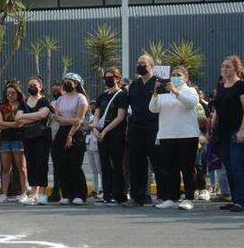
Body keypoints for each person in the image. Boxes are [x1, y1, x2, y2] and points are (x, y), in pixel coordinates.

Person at [150, 67, 200, 210]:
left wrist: (176, 92)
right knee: (170, 168)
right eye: (173, 75)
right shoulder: (164, 92)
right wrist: (155, 92)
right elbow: (153, 109)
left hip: (187, 135)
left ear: (185, 77)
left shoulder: (190, 90)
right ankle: (171, 197)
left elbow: (191, 103)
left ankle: (189, 197)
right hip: (167, 135)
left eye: (179, 75)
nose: (175, 77)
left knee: (187, 167)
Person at [212, 56, 244, 213]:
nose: (224, 69)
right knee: (229, 167)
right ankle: (233, 198)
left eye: (228, 66)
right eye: (223, 66)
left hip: (238, 130)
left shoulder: (242, 85)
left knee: (238, 167)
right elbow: (217, 110)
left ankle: (240, 200)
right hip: (223, 131)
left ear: (236, 69)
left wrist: (242, 130)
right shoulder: (221, 86)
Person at [128, 54, 162, 206]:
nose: (140, 66)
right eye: (138, 63)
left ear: (152, 66)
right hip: (136, 127)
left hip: (154, 127)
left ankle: (164, 196)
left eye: (143, 64)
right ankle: (139, 196)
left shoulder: (159, 83)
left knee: (158, 162)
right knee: (136, 162)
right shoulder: (134, 85)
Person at [51, 73, 90, 204]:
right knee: (62, 164)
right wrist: (69, 120)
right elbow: (56, 117)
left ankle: (80, 194)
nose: (67, 82)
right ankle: (66, 194)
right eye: (66, 80)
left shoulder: (81, 98)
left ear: (77, 83)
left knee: (75, 164)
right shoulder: (60, 99)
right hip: (62, 131)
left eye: (70, 80)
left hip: (76, 133)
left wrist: (70, 135)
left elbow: (79, 120)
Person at [92, 67, 128, 205]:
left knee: (117, 165)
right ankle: (107, 194)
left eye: (111, 77)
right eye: (105, 77)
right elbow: (97, 115)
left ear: (118, 78)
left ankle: (119, 194)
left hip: (116, 134)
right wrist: (95, 129)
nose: (108, 79)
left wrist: (105, 130)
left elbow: (120, 117)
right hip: (101, 135)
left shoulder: (122, 95)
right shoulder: (102, 96)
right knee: (104, 165)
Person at [0, 84, 32, 204]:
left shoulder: (22, 105)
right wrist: (12, 124)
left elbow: (20, 123)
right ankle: (4, 194)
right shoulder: (2, 105)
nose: (10, 95)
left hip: (19, 138)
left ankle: (24, 193)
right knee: (5, 168)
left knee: (21, 168)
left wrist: (6, 124)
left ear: (18, 93)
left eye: (13, 93)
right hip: (5, 139)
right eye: (8, 93)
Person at [18, 77, 52, 205]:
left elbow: (43, 115)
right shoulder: (24, 101)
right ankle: (33, 193)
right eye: (30, 84)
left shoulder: (44, 101)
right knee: (31, 164)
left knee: (41, 163)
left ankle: (42, 194)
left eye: (34, 85)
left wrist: (24, 117)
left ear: (40, 87)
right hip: (28, 137)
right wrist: (34, 117)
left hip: (42, 137)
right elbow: (18, 119)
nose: (32, 87)